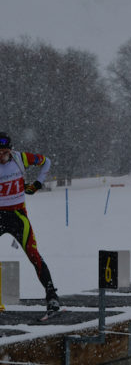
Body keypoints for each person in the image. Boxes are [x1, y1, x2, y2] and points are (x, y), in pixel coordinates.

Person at [0, 132, 59, 313]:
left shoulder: (20, 158)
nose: (1, 156)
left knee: (33, 255)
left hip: (18, 216)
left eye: (4, 152)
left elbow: (46, 161)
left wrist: (38, 183)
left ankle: (52, 297)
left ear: (10, 150)